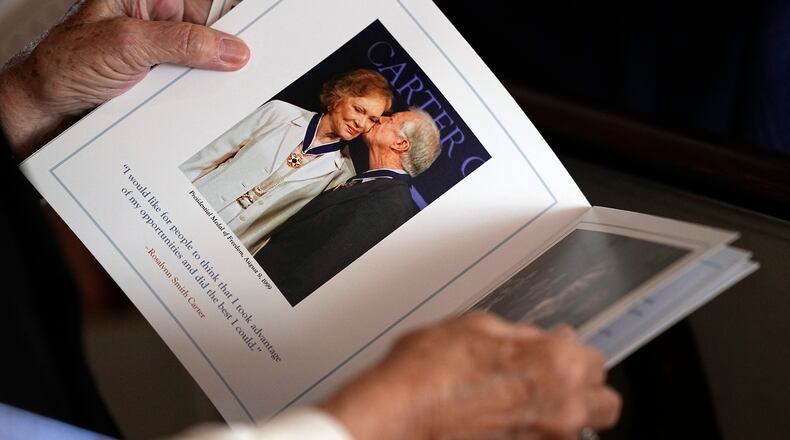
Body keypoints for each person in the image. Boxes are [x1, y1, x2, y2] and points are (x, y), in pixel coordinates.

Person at [0, 0, 620, 438]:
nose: (365, 125)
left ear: (399, 146)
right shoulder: (275, 117)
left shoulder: (347, 181)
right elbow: (214, 162)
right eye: (362, 111)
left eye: (377, 120)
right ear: (335, 98)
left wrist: (25, 100)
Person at [179, 69, 393, 255]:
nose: (361, 123)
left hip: (233, 243)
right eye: (359, 109)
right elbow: (206, 158)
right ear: (339, 97)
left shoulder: (342, 173)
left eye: (372, 120)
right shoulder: (280, 113)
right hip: (192, 207)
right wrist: (171, 195)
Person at [255, 108, 441, 306]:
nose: (380, 118)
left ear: (400, 144)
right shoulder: (374, 185)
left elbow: (323, 269)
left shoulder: (390, 204)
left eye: (391, 119)